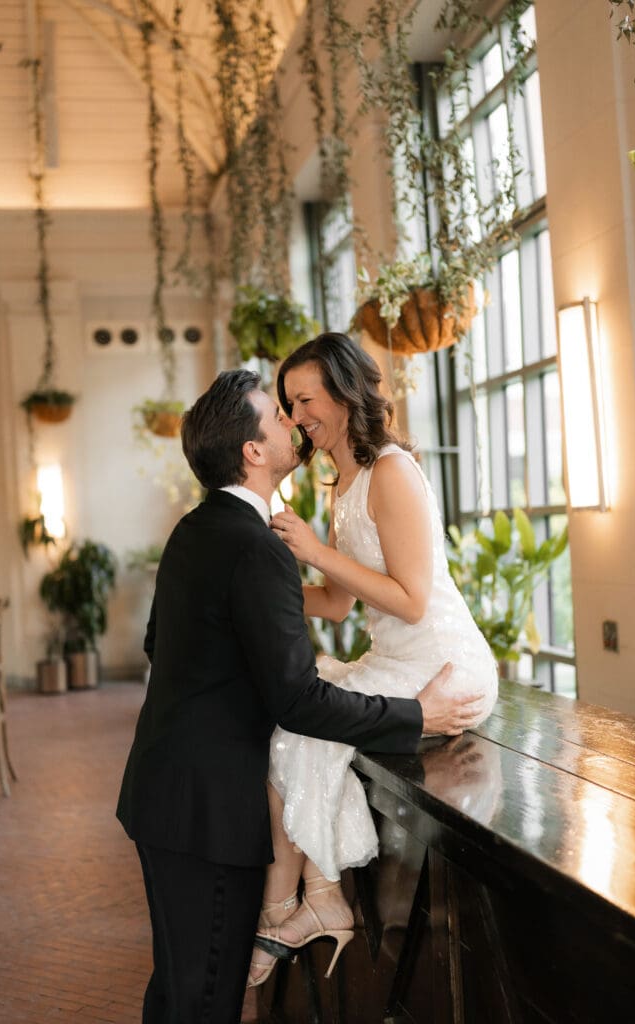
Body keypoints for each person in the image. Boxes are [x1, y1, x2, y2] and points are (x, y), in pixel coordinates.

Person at [116, 368, 487, 1024]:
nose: (294, 422)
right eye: (278, 415)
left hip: (166, 793)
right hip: (207, 809)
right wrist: (417, 714)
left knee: (177, 987)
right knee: (204, 996)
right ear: (252, 452)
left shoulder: (196, 530)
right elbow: (298, 702)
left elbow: (160, 644)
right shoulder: (256, 546)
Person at [251, 333, 498, 983]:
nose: (297, 415)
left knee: (310, 722)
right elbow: (335, 603)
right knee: (292, 718)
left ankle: (311, 901)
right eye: (288, 404)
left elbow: (413, 601)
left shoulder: (391, 470)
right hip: (391, 657)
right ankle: (318, 897)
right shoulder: (343, 483)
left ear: (343, 391)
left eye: (304, 399)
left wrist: (310, 547)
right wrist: (263, 586)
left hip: (440, 662)